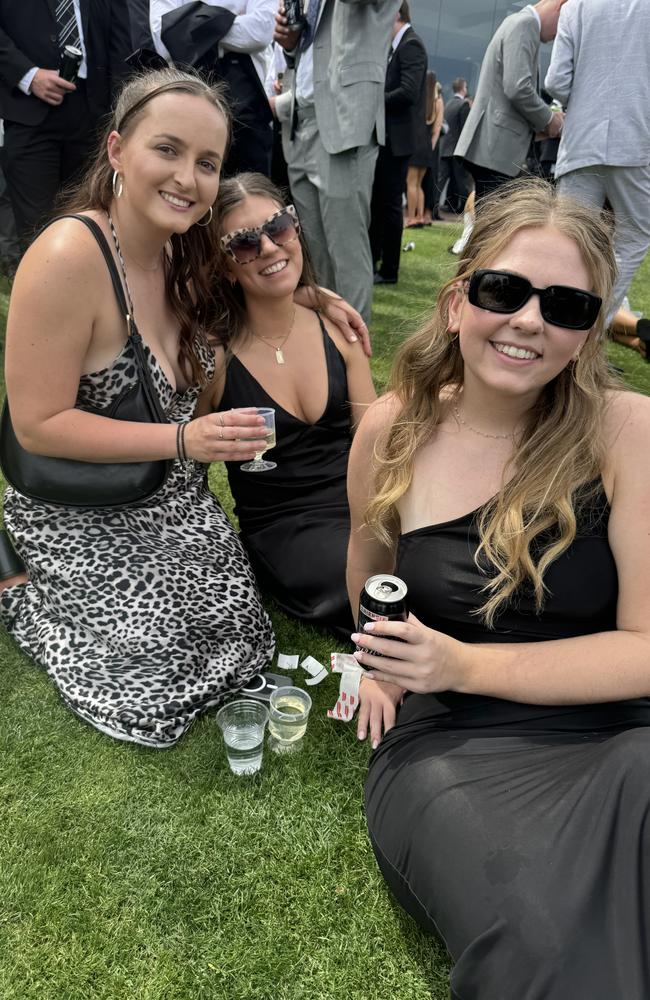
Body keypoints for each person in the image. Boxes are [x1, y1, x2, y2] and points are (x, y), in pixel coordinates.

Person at [0, 68, 367, 747]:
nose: (187, 178)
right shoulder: (67, 256)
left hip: (166, 495)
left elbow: (254, 275)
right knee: (156, 679)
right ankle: (17, 583)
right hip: (80, 503)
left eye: (207, 162)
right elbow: (37, 425)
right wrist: (182, 441)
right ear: (116, 151)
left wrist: (315, 299)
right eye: (166, 150)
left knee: (241, 630)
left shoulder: (182, 252)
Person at [347, 179, 650, 997]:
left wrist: (463, 663)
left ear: (589, 334)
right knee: (547, 951)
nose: (529, 321)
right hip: (453, 745)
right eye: (504, 290)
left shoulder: (627, 431)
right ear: (456, 302)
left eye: (567, 307)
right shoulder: (393, 428)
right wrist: (378, 663)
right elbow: (369, 560)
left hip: (618, 728)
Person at [209, 173, 377, 635]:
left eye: (278, 227)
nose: (267, 248)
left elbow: (376, 442)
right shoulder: (216, 358)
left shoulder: (337, 329)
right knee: (370, 585)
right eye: (243, 243)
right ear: (225, 266)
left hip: (361, 502)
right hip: (284, 528)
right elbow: (189, 472)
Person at [272, 0, 400, 324]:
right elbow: (311, 48)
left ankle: (354, 360)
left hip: (344, 119)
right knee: (313, 257)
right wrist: (291, 43)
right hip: (300, 116)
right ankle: (326, 351)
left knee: (346, 254)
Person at [544, 0, 650, 332]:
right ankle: (589, 333)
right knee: (633, 237)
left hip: (581, 141)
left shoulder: (576, 6)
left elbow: (556, 82)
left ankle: (556, 326)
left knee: (567, 240)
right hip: (636, 139)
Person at [0, 0, 132, 249]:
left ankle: (87, 283)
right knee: (37, 226)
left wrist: (121, 114)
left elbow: (120, 48)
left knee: (89, 220)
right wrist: (28, 75)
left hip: (94, 113)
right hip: (29, 109)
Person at [151, 0, 276, 176]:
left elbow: (260, 32)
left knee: (250, 187)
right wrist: (228, 21)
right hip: (187, 88)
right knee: (191, 178)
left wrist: (189, 23)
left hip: (246, 99)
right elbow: (163, 40)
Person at [455, 1, 565, 201]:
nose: (557, 37)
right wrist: (549, 119)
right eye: (563, 27)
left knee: (489, 224)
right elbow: (518, 88)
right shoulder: (526, 24)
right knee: (493, 226)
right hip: (496, 150)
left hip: (493, 147)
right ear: (561, 5)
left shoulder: (519, 23)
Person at [369, 1, 427, 284]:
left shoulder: (411, 45)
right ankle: (376, 262)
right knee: (380, 204)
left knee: (389, 205)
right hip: (389, 139)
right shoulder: (400, 46)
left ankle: (389, 269)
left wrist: (373, 100)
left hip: (397, 141)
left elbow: (408, 92)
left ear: (395, 14)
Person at [437, 76, 470, 216]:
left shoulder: (448, 103)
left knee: (442, 180)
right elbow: (465, 130)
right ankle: (463, 207)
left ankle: (435, 205)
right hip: (457, 149)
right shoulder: (464, 105)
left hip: (445, 148)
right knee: (461, 180)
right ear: (463, 88)